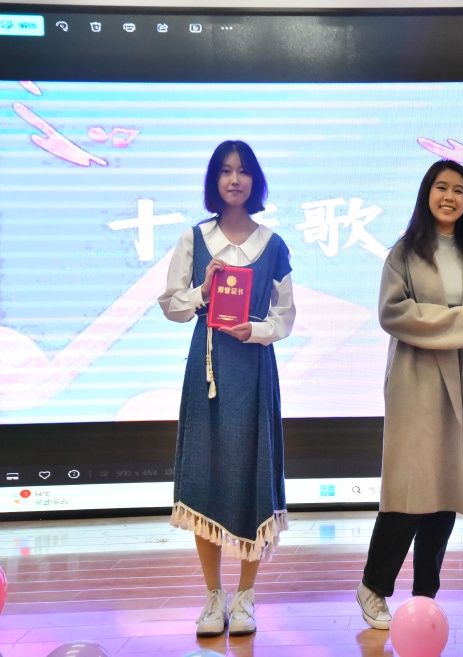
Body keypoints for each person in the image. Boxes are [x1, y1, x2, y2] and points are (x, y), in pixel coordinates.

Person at [158, 140, 295, 637]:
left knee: (254, 472)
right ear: (214, 180)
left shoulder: (273, 245)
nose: (234, 180)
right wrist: (203, 290)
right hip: (209, 369)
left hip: (254, 368)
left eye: (242, 171)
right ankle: (213, 596)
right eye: (225, 171)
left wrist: (253, 330)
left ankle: (245, 597)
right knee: (206, 474)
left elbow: (285, 318)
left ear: (255, 180)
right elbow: (171, 305)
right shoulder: (195, 239)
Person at [356, 160, 463, 630]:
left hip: (459, 379)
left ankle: (425, 598)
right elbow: (392, 312)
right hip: (415, 381)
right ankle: (373, 587)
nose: (449, 197)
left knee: (445, 491)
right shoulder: (404, 252)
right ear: (427, 193)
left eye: (459, 190)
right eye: (442, 187)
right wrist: (461, 320)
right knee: (409, 491)